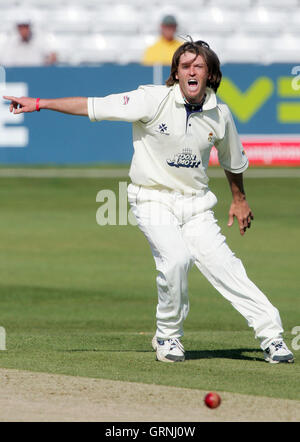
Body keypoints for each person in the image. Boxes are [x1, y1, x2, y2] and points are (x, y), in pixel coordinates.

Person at [3, 40, 294, 365]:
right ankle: (169, 336)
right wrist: (40, 103)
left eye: (198, 66)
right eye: (185, 66)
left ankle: (273, 338)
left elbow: (233, 161)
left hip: (196, 204)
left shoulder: (220, 114)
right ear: (176, 74)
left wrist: (239, 200)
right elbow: (93, 105)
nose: (192, 71)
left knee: (227, 268)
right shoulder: (151, 99)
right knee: (176, 259)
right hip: (151, 197)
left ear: (210, 74)